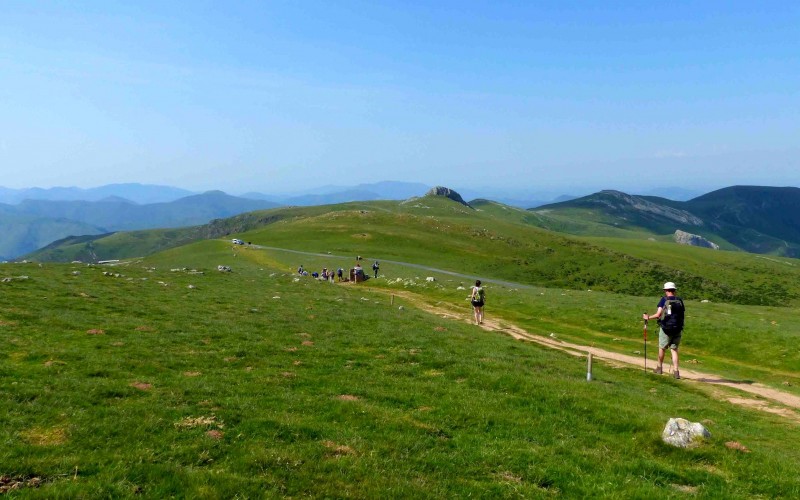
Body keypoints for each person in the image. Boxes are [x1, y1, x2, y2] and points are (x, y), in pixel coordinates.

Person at [643, 282, 685, 379]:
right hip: (677, 328)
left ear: (666, 290)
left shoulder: (664, 300)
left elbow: (658, 315)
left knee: (662, 348)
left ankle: (659, 368)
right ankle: (676, 372)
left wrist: (648, 317)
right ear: (674, 290)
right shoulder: (680, 300)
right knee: (674, 350)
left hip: (666, 328)